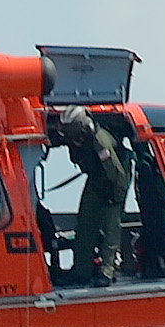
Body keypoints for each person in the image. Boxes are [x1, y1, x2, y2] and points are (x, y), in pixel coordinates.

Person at [52, 107, 132, 288]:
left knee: (111, 224)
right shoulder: (75, 138)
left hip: (114, 178)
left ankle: (107, 270)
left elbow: (116, 172)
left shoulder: (99, 142)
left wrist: (116, 196)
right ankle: (81, 270)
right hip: (97, 177)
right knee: (85, 221)